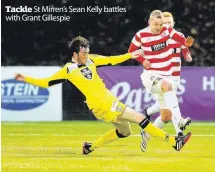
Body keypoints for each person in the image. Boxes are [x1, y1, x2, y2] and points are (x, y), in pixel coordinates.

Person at [15, 36, 191, 155]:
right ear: (75, 54)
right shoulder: (68, 70)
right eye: (83, 53)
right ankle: (173, 141)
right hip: (103, 104)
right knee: (139, 117)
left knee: (125, 131)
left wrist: (131, 54)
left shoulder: (92, 59)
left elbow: (111, 59)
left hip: (104, 104)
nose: (86, 55)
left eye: (87, 51)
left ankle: (89, 147)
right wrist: (26, 79)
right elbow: (47, 82)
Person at [128, 10, 194, 151]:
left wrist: (186, 44)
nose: (158, 27)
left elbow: (180, 38)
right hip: (151, 76)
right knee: (168, 86)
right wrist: (142, 59)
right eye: (156, 24)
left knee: (166, 116)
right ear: (149, 22)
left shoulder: (167, 31)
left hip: (166, 76)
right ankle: (180, 126)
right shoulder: (141, 35)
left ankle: (147, 132)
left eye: (161, 24)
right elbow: (131, 51)